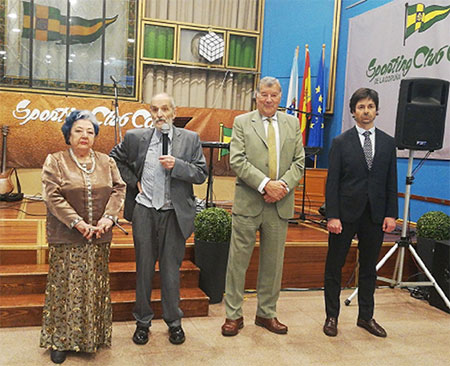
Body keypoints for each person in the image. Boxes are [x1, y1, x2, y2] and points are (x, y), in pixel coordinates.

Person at [110, 93, 207, 346]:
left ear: (174, 112)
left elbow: (200, 174)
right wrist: (134, 181)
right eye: (155, 109)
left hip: (173, 213)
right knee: (143, 269)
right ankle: (142, 322)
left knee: (170, 271)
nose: (160, 114)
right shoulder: (135, 138)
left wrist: (179, 165)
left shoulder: (190, 139)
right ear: (150, 113)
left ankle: (174, 322)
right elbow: (115, 158)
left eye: (165, 109)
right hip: (144, 211)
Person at [40, 110, 126, 364]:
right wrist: (77, 223)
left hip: (99, 237)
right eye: (79, 130)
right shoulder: (55, 161)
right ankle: (60, 341)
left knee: (93, 286)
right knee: (65, 288)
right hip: (66, 237)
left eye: (90, 131)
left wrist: (109, 218)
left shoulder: (106, 161)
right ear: (68, 134)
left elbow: (119, 188)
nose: (85, 135)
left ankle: (92, 338)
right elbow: (52, 196)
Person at [221, 76, 304, 336]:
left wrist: (281, 188)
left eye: (274, 95)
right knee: (237, 263)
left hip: (279, 205)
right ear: (256, 96)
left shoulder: (293, 124)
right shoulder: (242, 122)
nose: (269, 99)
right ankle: (233, 315)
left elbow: (299, 162)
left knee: (273, 263)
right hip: (249, 202)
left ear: (281, 98)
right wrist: (266, 184)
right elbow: (237, 160)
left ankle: (266, 314)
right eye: (264, 94)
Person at [323, 88, 398, 338]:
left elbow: (391, 181)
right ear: (353, 111)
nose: (366, 111)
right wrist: (332, 216)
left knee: (368, 269)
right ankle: (331, 316)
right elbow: (332, 182)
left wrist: (391, 214)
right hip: (344, 216)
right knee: (334, 267)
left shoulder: (388, 143)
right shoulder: (340, 142)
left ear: (377, 110)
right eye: (361, 107)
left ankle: (366, 317)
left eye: (370, 106)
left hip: (375, 216)